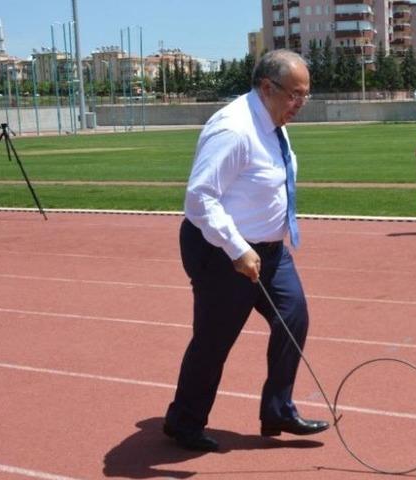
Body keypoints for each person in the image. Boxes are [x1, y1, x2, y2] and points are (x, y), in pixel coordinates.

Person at [163, 50, 328, 452]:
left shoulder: (273, 121)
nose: (300, 105)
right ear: (267, 88)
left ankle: (277, 410)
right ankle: (183, 422)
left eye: (305, 96)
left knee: (294, 318)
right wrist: (237, 248)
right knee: (214, 340)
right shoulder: (234, 129)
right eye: (295, 96)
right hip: (221, 250)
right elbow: (200, 198)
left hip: (270, 251)